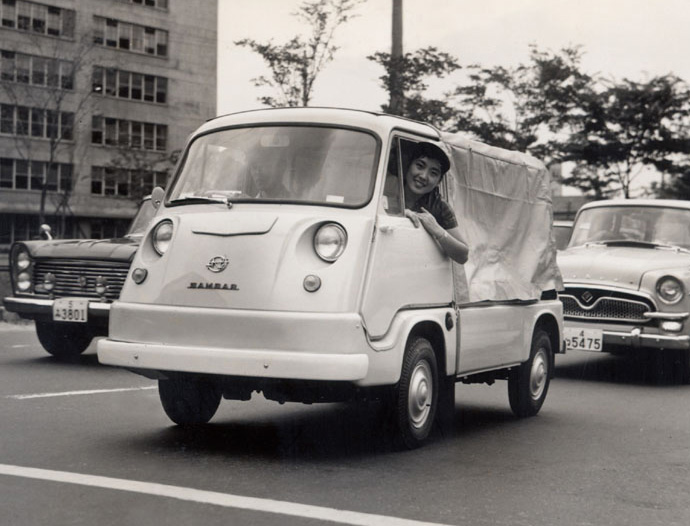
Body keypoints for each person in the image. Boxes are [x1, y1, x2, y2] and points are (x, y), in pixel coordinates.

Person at [401, 142, 469, 264]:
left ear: (438, 182)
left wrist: (438, 230)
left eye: (433, 173)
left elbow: (463, 255)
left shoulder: (439, 206)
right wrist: (398, 212)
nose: (423, 176)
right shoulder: (385, 188)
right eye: (420, 166)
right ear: (408, 166)